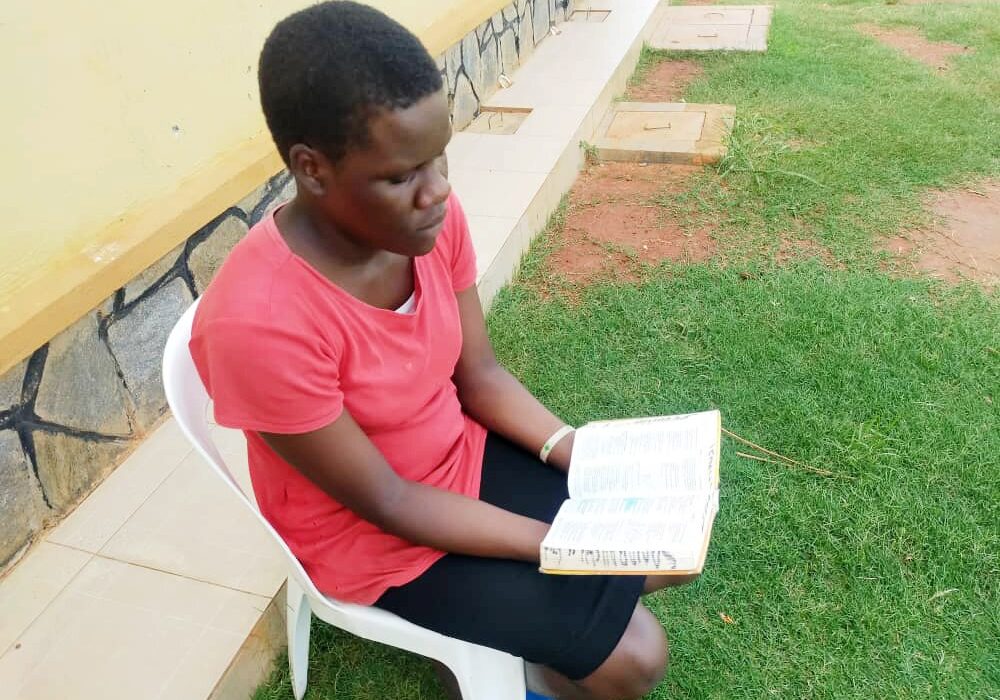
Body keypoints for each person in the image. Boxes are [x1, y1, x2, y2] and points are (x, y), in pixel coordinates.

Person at [190, 3, 695, 698]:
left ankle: (502, 642)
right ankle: (514, 669)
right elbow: (390, 501)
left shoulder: (430, 224)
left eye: (439, 157)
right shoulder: (259, 324)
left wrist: (584, 456)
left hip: (457, 454)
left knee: (664, 539)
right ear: (312, 169)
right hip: (373, 536)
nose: (440, 192)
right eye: (402, 177)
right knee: (637, 656)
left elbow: (480, 377)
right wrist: (551, 545)